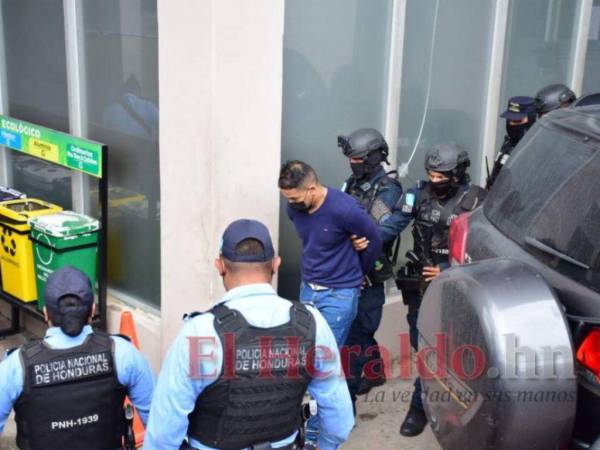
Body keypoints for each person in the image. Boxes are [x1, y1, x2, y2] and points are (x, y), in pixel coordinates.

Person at [144, 219, 354, 450]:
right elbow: (339, 420)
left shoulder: (200, 332)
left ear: (220, 266)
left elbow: (163, 435)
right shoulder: (312, 323)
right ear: (275, 264)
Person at [390, 143, 487, 437]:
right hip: (421, 291)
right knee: (426, 352)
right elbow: (394, 222)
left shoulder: (477, 200)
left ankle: (437, 409)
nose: (434, 181)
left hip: (460, 290)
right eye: (431, 175)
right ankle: (424, 407)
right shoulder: (418, 193)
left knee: (458, 354)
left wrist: (447, 270)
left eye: (441, 177)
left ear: (457, 174)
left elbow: (485, 249)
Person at [0, 266, 155, 450]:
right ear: (92, 310)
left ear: (46, 312)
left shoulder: (16, 367)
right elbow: (160, 428)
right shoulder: (122, 354)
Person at [337, 128, 408, 401]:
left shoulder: (386, 189)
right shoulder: (351, 184)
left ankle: (350, 389)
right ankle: (374, 370)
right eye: (351, 159)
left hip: (370, 268)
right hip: (348, 265)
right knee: (357, 328)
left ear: (375, 157)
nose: (354, 164)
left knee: (361, 327)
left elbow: (379, 229)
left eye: (359, 159)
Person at [485, 96, 537, 190]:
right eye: (509, 119)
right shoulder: (509, 141)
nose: (511, 124)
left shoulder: (535, 149)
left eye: (517, 120)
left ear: (531, 119)